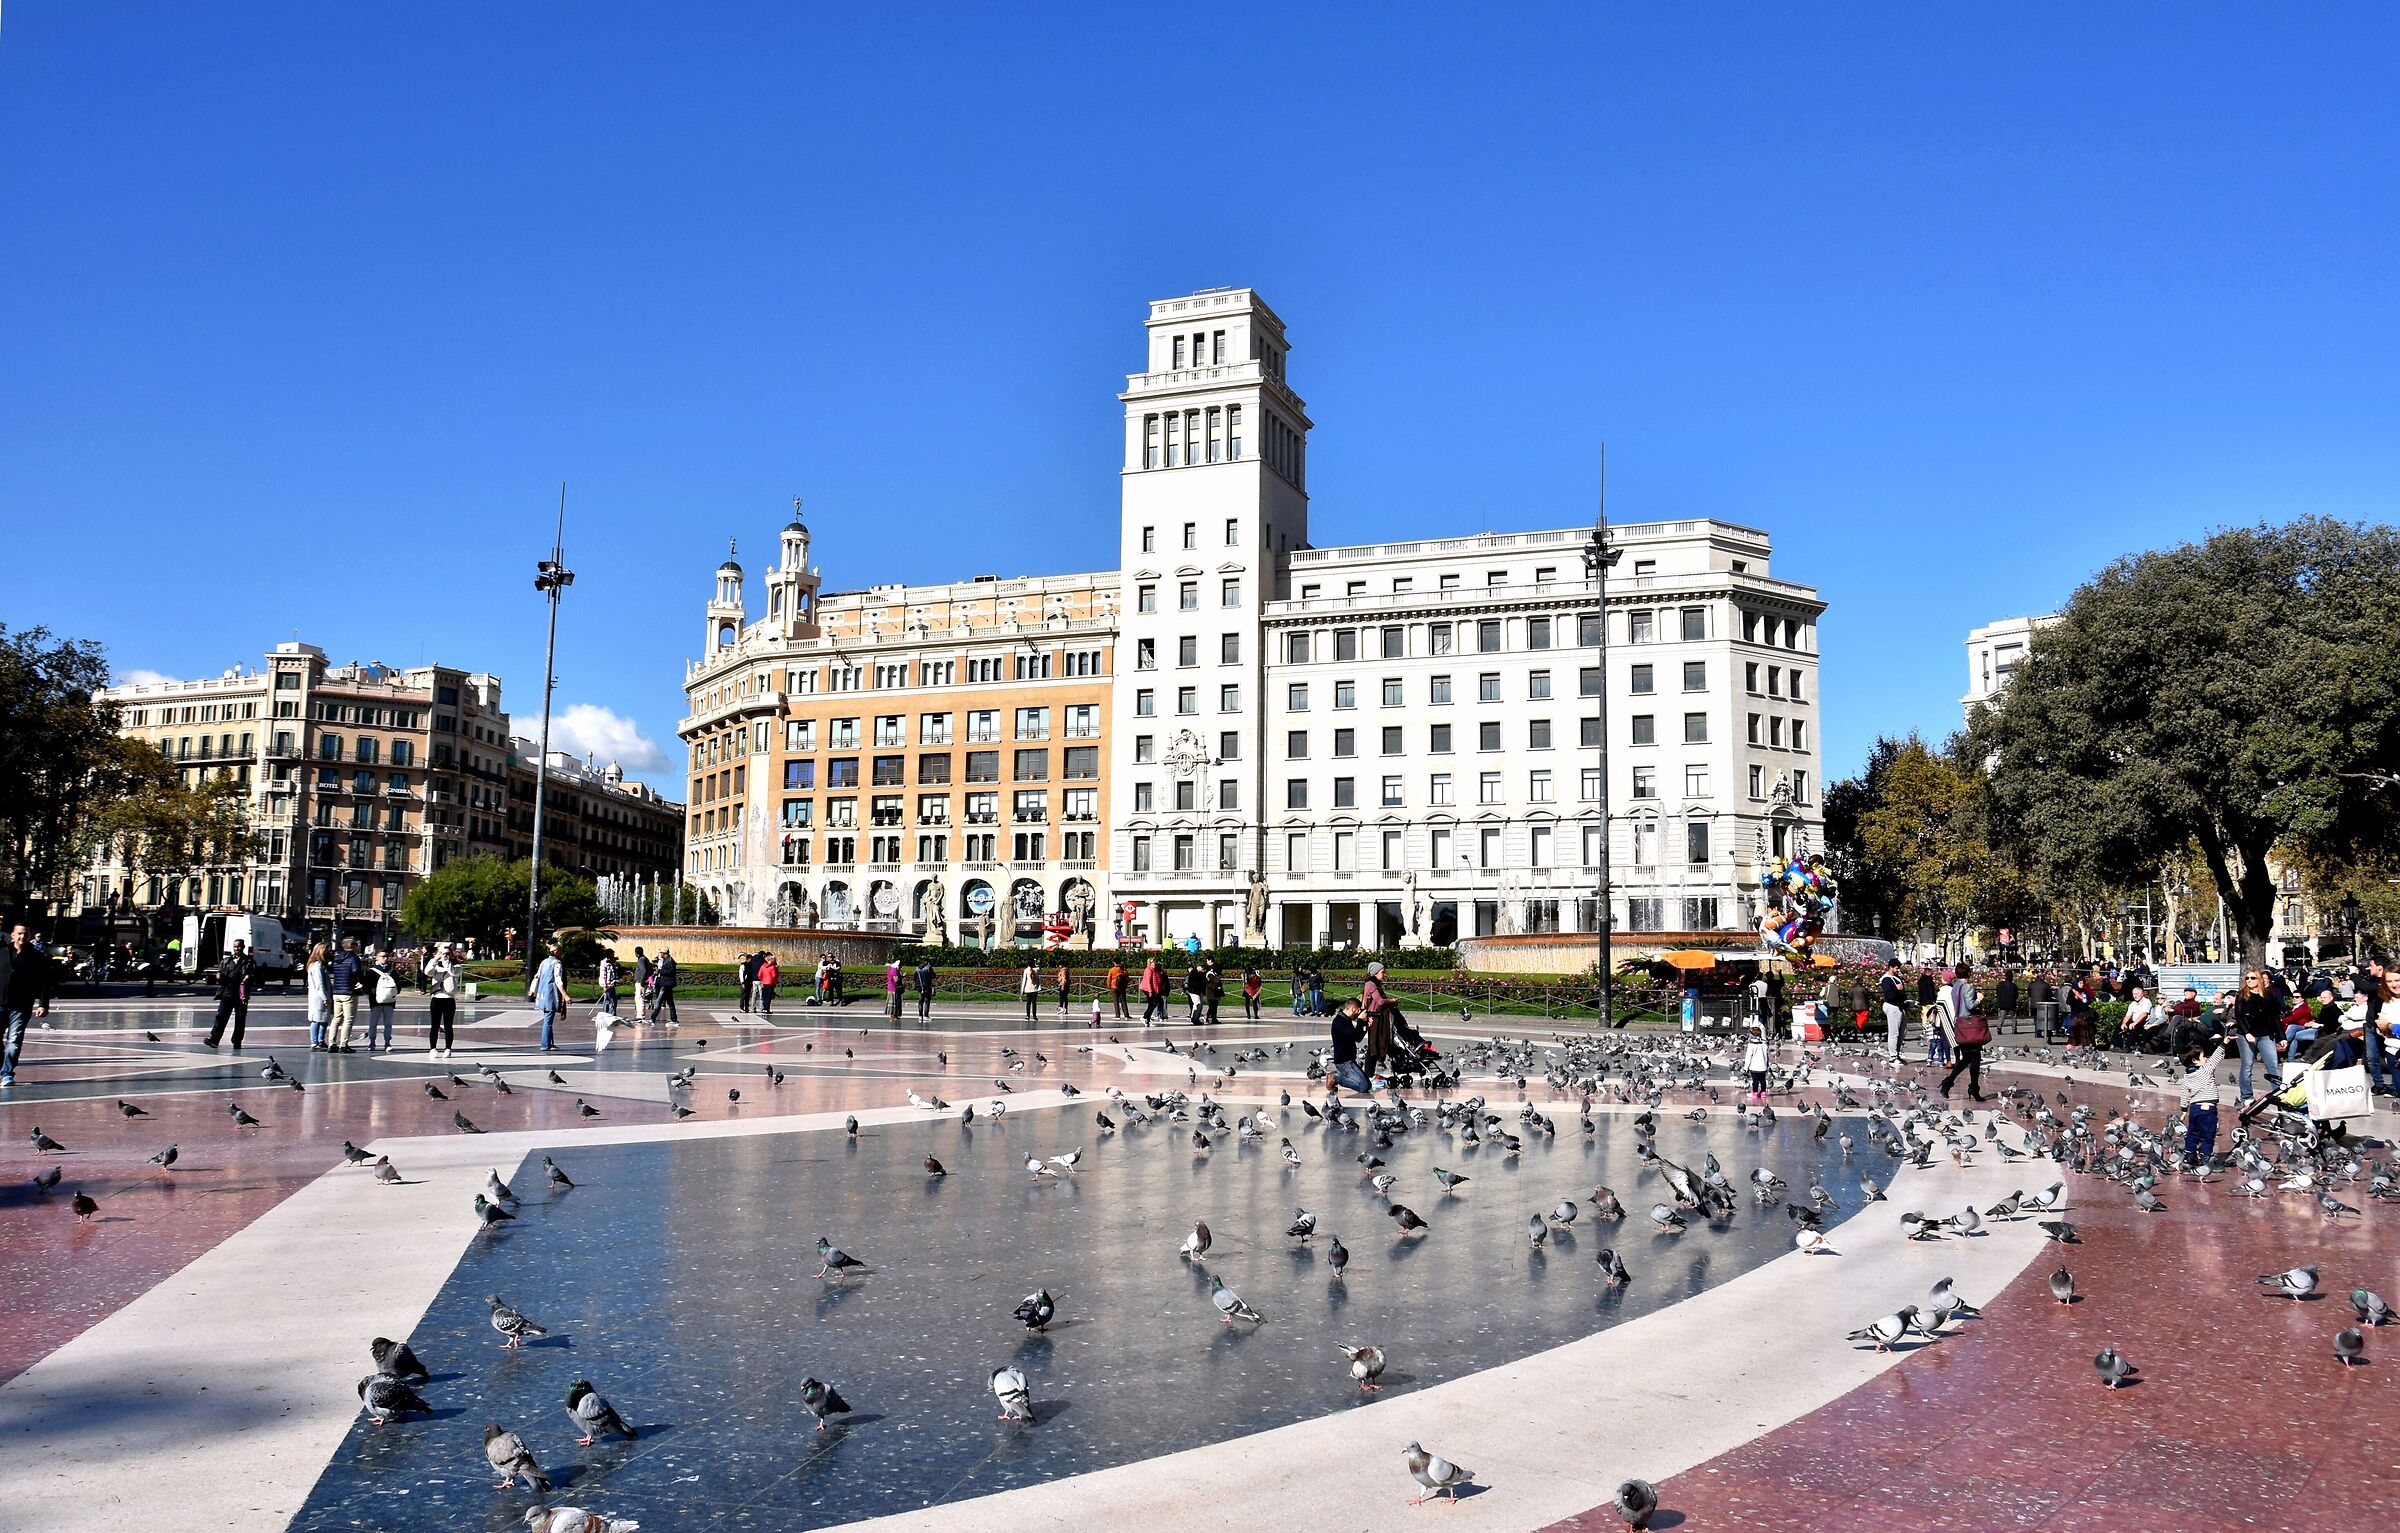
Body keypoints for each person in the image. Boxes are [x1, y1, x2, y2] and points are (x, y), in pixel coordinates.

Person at [0, 921, 59, 1088]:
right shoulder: (1, 952)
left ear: (30, 936)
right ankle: (2, 1067)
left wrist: (43, 1004)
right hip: (0, 1002)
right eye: (19, 933)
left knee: (14, 1040)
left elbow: (44, 983)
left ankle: (7, 1073)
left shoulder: (37, 957)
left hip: (21, 1005)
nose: (22, 936)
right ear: (12, 935)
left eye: (26, 934)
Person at [2231, 968, 2282, 1103]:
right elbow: (2239, 1015)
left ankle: (2279, 1093)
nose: (2249, 981)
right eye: (2247, 978)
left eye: (2252, 978)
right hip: (2247, 1034)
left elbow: (2274, 1017)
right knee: (2247, 1065)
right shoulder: (2242, 995)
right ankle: (2246, 1096)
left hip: (2266, 1034)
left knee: (2273, 1065)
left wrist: (2282, 1037)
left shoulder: (2268, 995)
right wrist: (2246, 1033)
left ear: (2259, 979)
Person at [2179, 1036, 2228, 1170]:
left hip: (2194, 1108)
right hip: (2208, 1109)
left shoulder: (2186, 1076)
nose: (2206, 1058)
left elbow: (2184, 1092)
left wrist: (2184, 1109)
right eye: (2203, 1056)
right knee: (2208, 1133)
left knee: (2193, 1132)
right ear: (2195, 1060)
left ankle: (2189, 1157)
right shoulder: (2205, 1070)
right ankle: (2205, 1158)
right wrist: (2224, 1043)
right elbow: (2215, 1059)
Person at [205, 938, 255, 1050]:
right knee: (221, 1016)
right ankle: (214, 1039)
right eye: (235, 946)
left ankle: (237, 1041)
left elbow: (253, 975)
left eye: (239, 946)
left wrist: (249, 977)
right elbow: (220, 972)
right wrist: (219, 976)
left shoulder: (249, 961)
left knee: (240, 1019)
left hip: (241, 994)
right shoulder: (226, 961)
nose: (237, 948)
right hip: (227, 992)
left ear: (243, 947)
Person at [325, 936, 366, 1053]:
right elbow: (355, 971)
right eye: (356, 944)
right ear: (351, 946)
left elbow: (332, 970)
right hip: (349, 991)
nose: (357, 946)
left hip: (337, 991)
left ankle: (331, 1043)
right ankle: (343, 1044)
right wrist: (358, 981)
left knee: (336, 1018)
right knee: (348, 1019)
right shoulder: (354, 958)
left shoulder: (337, 957)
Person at [425, 943, 462, 1058]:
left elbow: (453, 972)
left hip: (449, 998)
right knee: (434, 1025)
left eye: (447, 953)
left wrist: (446, 961)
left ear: (451, 954)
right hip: (436, 997)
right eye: (443, 953)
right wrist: (436, 959)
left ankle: (448, 1048)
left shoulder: (456, 965)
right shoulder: (436, 964)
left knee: (448, 1025)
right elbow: (427, 972)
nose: (445, 955)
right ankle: (433, 1048)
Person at [529, 940, 566, 1051]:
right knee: (548, 1021)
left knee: (547, 1018)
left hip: (542, 994)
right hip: (551, 994)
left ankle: (550, 1043)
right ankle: (545, 1044)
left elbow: (537, 976)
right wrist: (565, 994)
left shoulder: (544, 962)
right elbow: (558, 980)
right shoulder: (557, 963)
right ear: (556, 952)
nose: (561, 953)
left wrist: (532, 990)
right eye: (560, 951)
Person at [1329, 998, 1370, 1094]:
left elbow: (1357, 1038)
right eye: (1358, 1010)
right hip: (1344, 1062)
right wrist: (1360, 1020)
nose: (1358, 1013)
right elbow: (1355, 1035)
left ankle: (1340, 1077)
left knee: (1367, 1084)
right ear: (1352, 1008)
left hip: (1350, 1060)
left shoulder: (1346, 1020)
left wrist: (1365, 1027)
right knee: (1363, 1087)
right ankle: (1336, 1077)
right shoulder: (1340, 1022)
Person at [365, 949, 400, 1053]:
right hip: (376, 1001)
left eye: (386, 956)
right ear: (377, 957)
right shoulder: (371, 971)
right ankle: (372, 1042)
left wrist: (392, 993)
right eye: (382, 956)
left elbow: (398, 985)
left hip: (390, 1001)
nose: (385, 958)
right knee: (373, 1023)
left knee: (388, 1023)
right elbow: (367, 985)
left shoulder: (392, 971)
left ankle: (387, 1042)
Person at [1877, 961, 1905, 1059]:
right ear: (1890, 967)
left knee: (1902, 1032)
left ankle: (1896, 1053)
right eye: (1896, 968)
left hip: (1900, 1006)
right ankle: (1893, 1056)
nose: (1898, 970)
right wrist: (1898, 990)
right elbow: (1889, 995)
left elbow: (1902, 993)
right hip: (1892, 1006)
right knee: (1894, 1032)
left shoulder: (1897, 978)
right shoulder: (1886, 980)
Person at [305, 941, 329, 1050]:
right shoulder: (317, 966)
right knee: (317, 1019)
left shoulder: (317, 965)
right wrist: (325, 997)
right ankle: (315, 1042)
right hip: (319, 997)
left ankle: (320, 1040)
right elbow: (319, 983)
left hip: (319, 996)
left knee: (323, 1019)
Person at [1742, 1023, 1772, 1101]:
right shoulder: (1764, 1045)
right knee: (1763, 1080)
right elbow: (1766, 1056)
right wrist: (1767, 1065)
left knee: (1755, 1081)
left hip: (1754, 1066)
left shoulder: (1751, 1046)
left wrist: (1746, 1067)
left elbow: (1748, 1057)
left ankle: (1754, 1093)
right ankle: (1763, 1093)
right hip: (1763, 1066)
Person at [1138, 956, 1165, 1025]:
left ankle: (1147, 1020)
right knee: (1153, 1004)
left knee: (1151, 1004)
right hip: (1147, 989)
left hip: (1153, 990)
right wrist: (1150, 991)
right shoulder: (1148, 970)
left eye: (1155, 962)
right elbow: (1148, 981)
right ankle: (1144, 1017)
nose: (1154, 964)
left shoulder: (1154, 970)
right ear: (1149, 963)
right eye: (1153, 962)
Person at [596, 952, 621, 1018]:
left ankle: (613, 1014)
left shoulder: (612, 962)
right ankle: (605, 1014)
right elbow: (603, 975)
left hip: (612, 984)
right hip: (607, 984)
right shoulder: (604, 963)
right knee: (607, 1000)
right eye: (612, 954)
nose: (613, 955)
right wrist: (604, 985)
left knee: (614, 1000)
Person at [631, 947, 652, 1022]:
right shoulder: (645, 959)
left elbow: (644, 970)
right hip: (642, 981)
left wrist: (642, 980)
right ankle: (640, 1015)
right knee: (640, 998)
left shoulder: (641, 960)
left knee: (639, 998)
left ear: (637, 953)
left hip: (640, 982)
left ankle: (640, 1016)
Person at [757, 952, 779, 1018]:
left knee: (764, 996)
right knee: (769, 997)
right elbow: (774, 975)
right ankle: (767, 1009)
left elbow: (759, 975)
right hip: (770, 983)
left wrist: (762, 979)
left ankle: (764, 1008)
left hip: (764, 983)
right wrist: (774, 980)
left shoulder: (763, 966)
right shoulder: (772, 967)